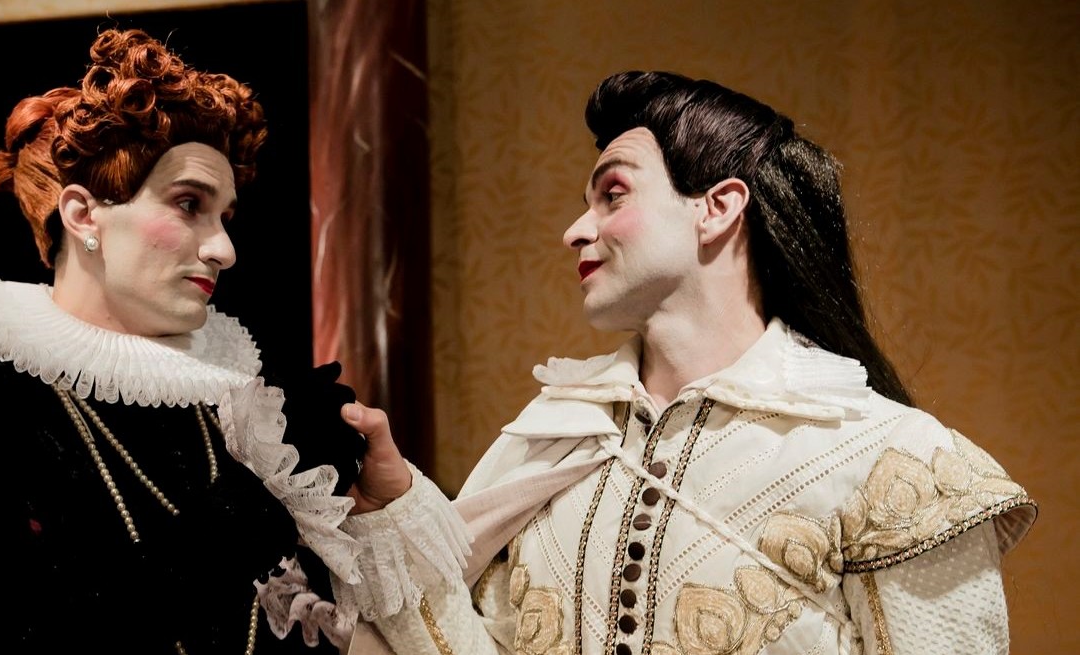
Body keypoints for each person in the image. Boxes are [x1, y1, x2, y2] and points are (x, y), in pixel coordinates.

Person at [332, 70, 1038, 654]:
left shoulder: (890, 461)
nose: (575, 229)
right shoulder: (551, 442)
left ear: (718, 207)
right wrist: (395, 505)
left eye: (613, 194)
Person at [0, 27, 367, 654]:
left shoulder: (246, 415)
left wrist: (383, 503)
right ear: (83, 215)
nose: (224, 249)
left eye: (225, 217)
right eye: (189, 204)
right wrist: (233, 522)